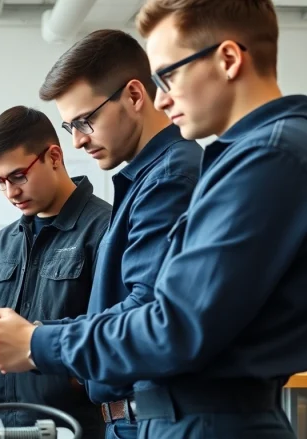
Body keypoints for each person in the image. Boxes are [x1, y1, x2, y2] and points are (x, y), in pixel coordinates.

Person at [0, 1, 307, 438]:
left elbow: (172, 325)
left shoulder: (264, 157)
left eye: (169, 75)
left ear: (229, 59)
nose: (162, 97)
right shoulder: (248, 157)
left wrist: (36, 342)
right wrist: (37, 333)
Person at [35, 29, 202, 439]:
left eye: (85, 120)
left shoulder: (170, 177)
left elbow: (146, 310)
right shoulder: (147, 178)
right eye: (68, 126)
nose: (77, 140)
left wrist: (37, 340)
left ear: (133, 94)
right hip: (133, 418)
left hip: (151, 417)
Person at [0, 106, 111, 438]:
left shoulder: (105, 229)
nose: (10, 192)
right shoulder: (3, 243)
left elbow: (114, 334)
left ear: (53, 156)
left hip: (73, 427)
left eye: (18, 176)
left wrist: (71, 377)